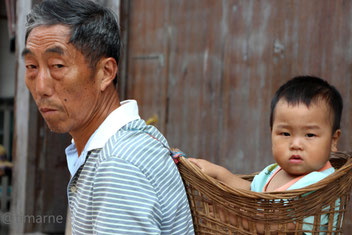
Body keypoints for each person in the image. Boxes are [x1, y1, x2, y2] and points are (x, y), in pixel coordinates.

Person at [22, 0, 194, 234]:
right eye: (31, 66)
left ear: (106, 72)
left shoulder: (119, 163)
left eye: (57, 65)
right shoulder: (115, 148)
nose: (41, 87)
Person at [190, 76, 343, 233]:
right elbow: (251, 191)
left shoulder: (321, 185)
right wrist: (219, 173)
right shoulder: (274, 171)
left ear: (333, 140)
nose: (296, 144)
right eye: (285, 133)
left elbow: (280, 226)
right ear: (272, 134)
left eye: (310, 135)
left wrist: (232, 218)